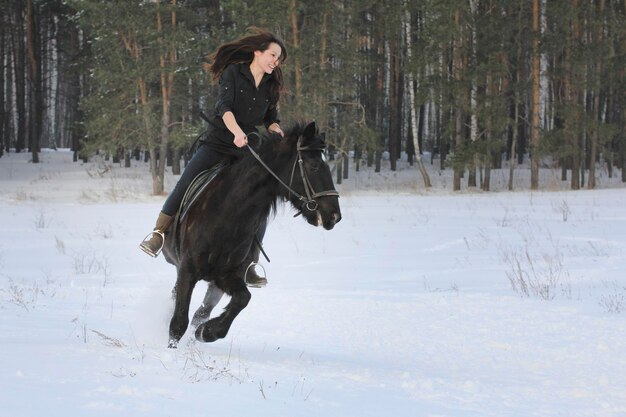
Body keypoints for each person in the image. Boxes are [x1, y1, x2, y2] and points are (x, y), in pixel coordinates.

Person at [139, 28, 287, 286]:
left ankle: (250, 263)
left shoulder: (270, 85)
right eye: (273, 55)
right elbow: (225, 108)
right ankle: (159, 233)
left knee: (259, 203)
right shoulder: (234, 73)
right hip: (218, 143)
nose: (276, 61)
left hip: (246, 152)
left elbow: (270, 119)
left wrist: (277, 130)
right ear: (257, 53)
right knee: (185, 183)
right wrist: (237, 132)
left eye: (279, 59)